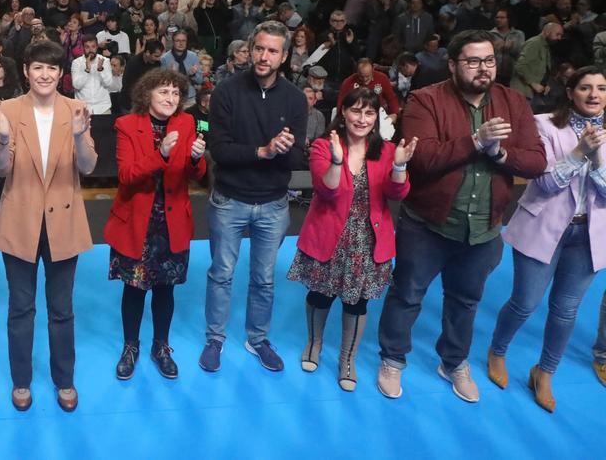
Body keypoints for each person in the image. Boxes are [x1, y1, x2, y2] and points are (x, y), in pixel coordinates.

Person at [377, 30, 546, 403]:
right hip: (427, 223)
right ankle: (392, 358)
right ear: (452, 65)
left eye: (489, 60)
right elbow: (423, 159)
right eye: (472, 61)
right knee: (407, 294)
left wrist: (500, 155)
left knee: (465, 300)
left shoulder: (514, 102)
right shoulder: (425, 100)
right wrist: (475, 141)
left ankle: (453, 361)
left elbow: (536, 160)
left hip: (484, 227)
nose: (483, 68)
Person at [0, 40, 97, 413]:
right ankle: (21, 381)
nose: (45, 74)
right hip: (21, 219)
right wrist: (1, 138)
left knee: (62, 308)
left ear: (61, 75)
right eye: (37, 67)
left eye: (51, 68)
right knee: (20, 307)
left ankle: (65, 380)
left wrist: (80, 136)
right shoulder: (9, 110)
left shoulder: (77, 109)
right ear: (26, 72)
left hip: (63, 221)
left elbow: (88, 166)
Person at [487, 66, 606, 412]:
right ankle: (498, 351)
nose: (594, 94)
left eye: (601, 88)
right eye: (585, 87)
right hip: (544, 227)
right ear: (570, 92)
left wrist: (595, 161)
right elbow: (543, 183)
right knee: (525, 302)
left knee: (566, 311)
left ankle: (545, 372)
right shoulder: (544, 125)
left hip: (590, 235)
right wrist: (577, 155)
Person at [288, 88, 416, 391]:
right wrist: (336, 161)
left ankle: (348, 359)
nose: (362, 118)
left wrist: (399, 166)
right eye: (356, 111)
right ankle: (314, 344)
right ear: (342, 113)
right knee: (320, 294)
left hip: (367, 240)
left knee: (357, 303)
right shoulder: (324, 145)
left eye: (369, 112)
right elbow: (328, 190)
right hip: (328, 235)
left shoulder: (386, 150)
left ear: (376, 117)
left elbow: (397, 195)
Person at [201, 21, 307, 373]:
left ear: (284, 56)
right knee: (221, 273)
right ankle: (215, 338)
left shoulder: (294, 99)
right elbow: (219, 150)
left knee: (264, 278)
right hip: (229, 199)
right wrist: (263, 151)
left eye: (272, 51)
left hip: (274, 203)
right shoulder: (226, 92)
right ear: (250, 49)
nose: (264, 56)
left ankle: (257, 338)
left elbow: (296, 161)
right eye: (259, 48)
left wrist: (286, 149)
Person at [104, 69, 207, 380]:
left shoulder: (187, 123)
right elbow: (126, 176)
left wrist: (195, 158)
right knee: (134, 290)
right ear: (147, 93)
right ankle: (131, 346)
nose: (170, 99)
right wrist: (159, 153)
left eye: (176, 94)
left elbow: (198, 174)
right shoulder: (126, 125)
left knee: (166, 290)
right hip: (137, 223)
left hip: (172, 222)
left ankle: (161, 346)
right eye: (164, 92)